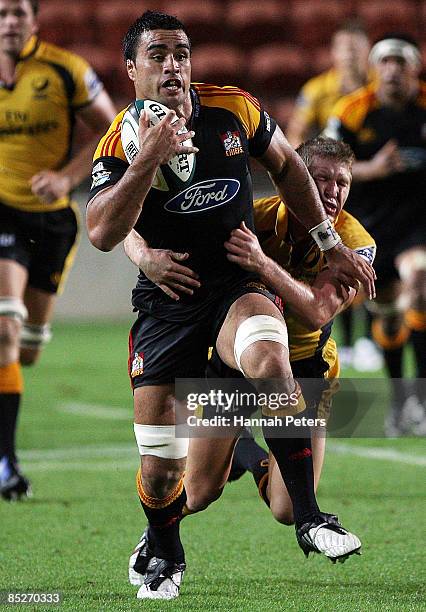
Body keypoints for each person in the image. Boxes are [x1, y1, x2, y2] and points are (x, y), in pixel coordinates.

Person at [86, 11, 375, 600]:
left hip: (232, 289)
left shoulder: (233, 108)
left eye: (183, 52)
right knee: (167, 471)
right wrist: (150, 160)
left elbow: (290, 166)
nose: (174, 65)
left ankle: (314, 519)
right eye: (160, 54)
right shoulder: (118, 140)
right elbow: (101, 231)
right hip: (167, 305)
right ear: (132, 67)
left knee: (269, 354)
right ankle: (165, 549)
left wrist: (328, 241)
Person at [127, 137, 374, 573]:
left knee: (285, 507)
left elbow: (318, 312)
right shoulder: (252, 218)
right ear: (293, 180)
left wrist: (263, 264)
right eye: (321, 180)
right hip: (236, 364)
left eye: (343, 183)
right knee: (200, 491)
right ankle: (159, 534)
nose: (333, 193)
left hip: (308, 368)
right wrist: (147, 254)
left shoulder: (356, 244)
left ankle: (248, 454)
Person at [0, 0, 116, 501]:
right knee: (5, 325)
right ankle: (6, 462)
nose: (9, 21)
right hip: (1, 211)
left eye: (18, 13)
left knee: (27, 347)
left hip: (51, 221)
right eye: (1, 13)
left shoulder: (65, 71)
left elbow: (112, 130)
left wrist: (68, 178)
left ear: (34, 20)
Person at [324, 33, 426, 436]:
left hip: (418, 222)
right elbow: (327, 165)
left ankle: (420, 394)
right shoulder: (352, 111)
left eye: (400, 62)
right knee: (385, 309)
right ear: (374, 68)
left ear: (414, 68)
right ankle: (401, 398)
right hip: (370, 224)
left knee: (418, 281)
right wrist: (372, 168)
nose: (392, 70)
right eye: (385, 62)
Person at [285, 20, 376, 370]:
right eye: (345, 48)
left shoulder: (376, 91)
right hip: (328, 190)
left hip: (370, 191)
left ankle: (364, 337)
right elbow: (295, 134)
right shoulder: (318, 90)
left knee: (362, 256)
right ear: (334, 52)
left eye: (357, 48)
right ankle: (350, 338)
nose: (351, 55)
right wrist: (300, 179)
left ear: (366, 52)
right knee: (331, 257)